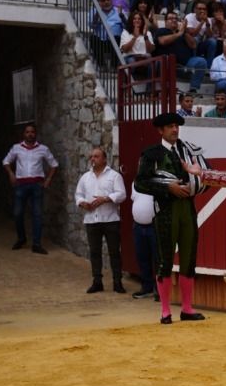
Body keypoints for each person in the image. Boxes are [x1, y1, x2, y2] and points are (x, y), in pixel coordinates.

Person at [134, 111, 209, 324]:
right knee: (164, 259)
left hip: (187, 209)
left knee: (188, 257)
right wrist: (168, 188)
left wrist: (196, 182)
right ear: (161, 130)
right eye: (170, 127)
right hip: (165, 210)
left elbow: (207, 175)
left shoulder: (190, 151)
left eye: (177, 126)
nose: (175, 130)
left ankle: (187, 308)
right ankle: (165, 311)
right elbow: (140, 183)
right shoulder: (151, 154)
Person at [75, 146, 127, 293]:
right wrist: (82, 203)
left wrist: (106, 199)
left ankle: (117, 282)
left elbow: (122, 194)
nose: (93, 159)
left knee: (114, 252)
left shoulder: (114, 176)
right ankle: (97, 282)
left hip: (110, 219)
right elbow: (78, 194)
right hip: (91, 219)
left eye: (96, 156)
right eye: (91, 156)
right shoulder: (85, 177)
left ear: (104, 159)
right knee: (94, 252)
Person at [1, 122, 58, 252]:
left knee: (37, 215)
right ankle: (21, 238)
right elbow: (6, 161)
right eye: (27, 132)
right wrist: (11, 174)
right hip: (20, 185)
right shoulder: (16, 148)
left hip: (37, 185)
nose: (30, 134)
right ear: (24, 134)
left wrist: (48, 179)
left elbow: (54, 164)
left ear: (35, 134)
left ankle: (36, 244)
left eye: (32, 132)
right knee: (17, 214)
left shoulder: (43, 149)